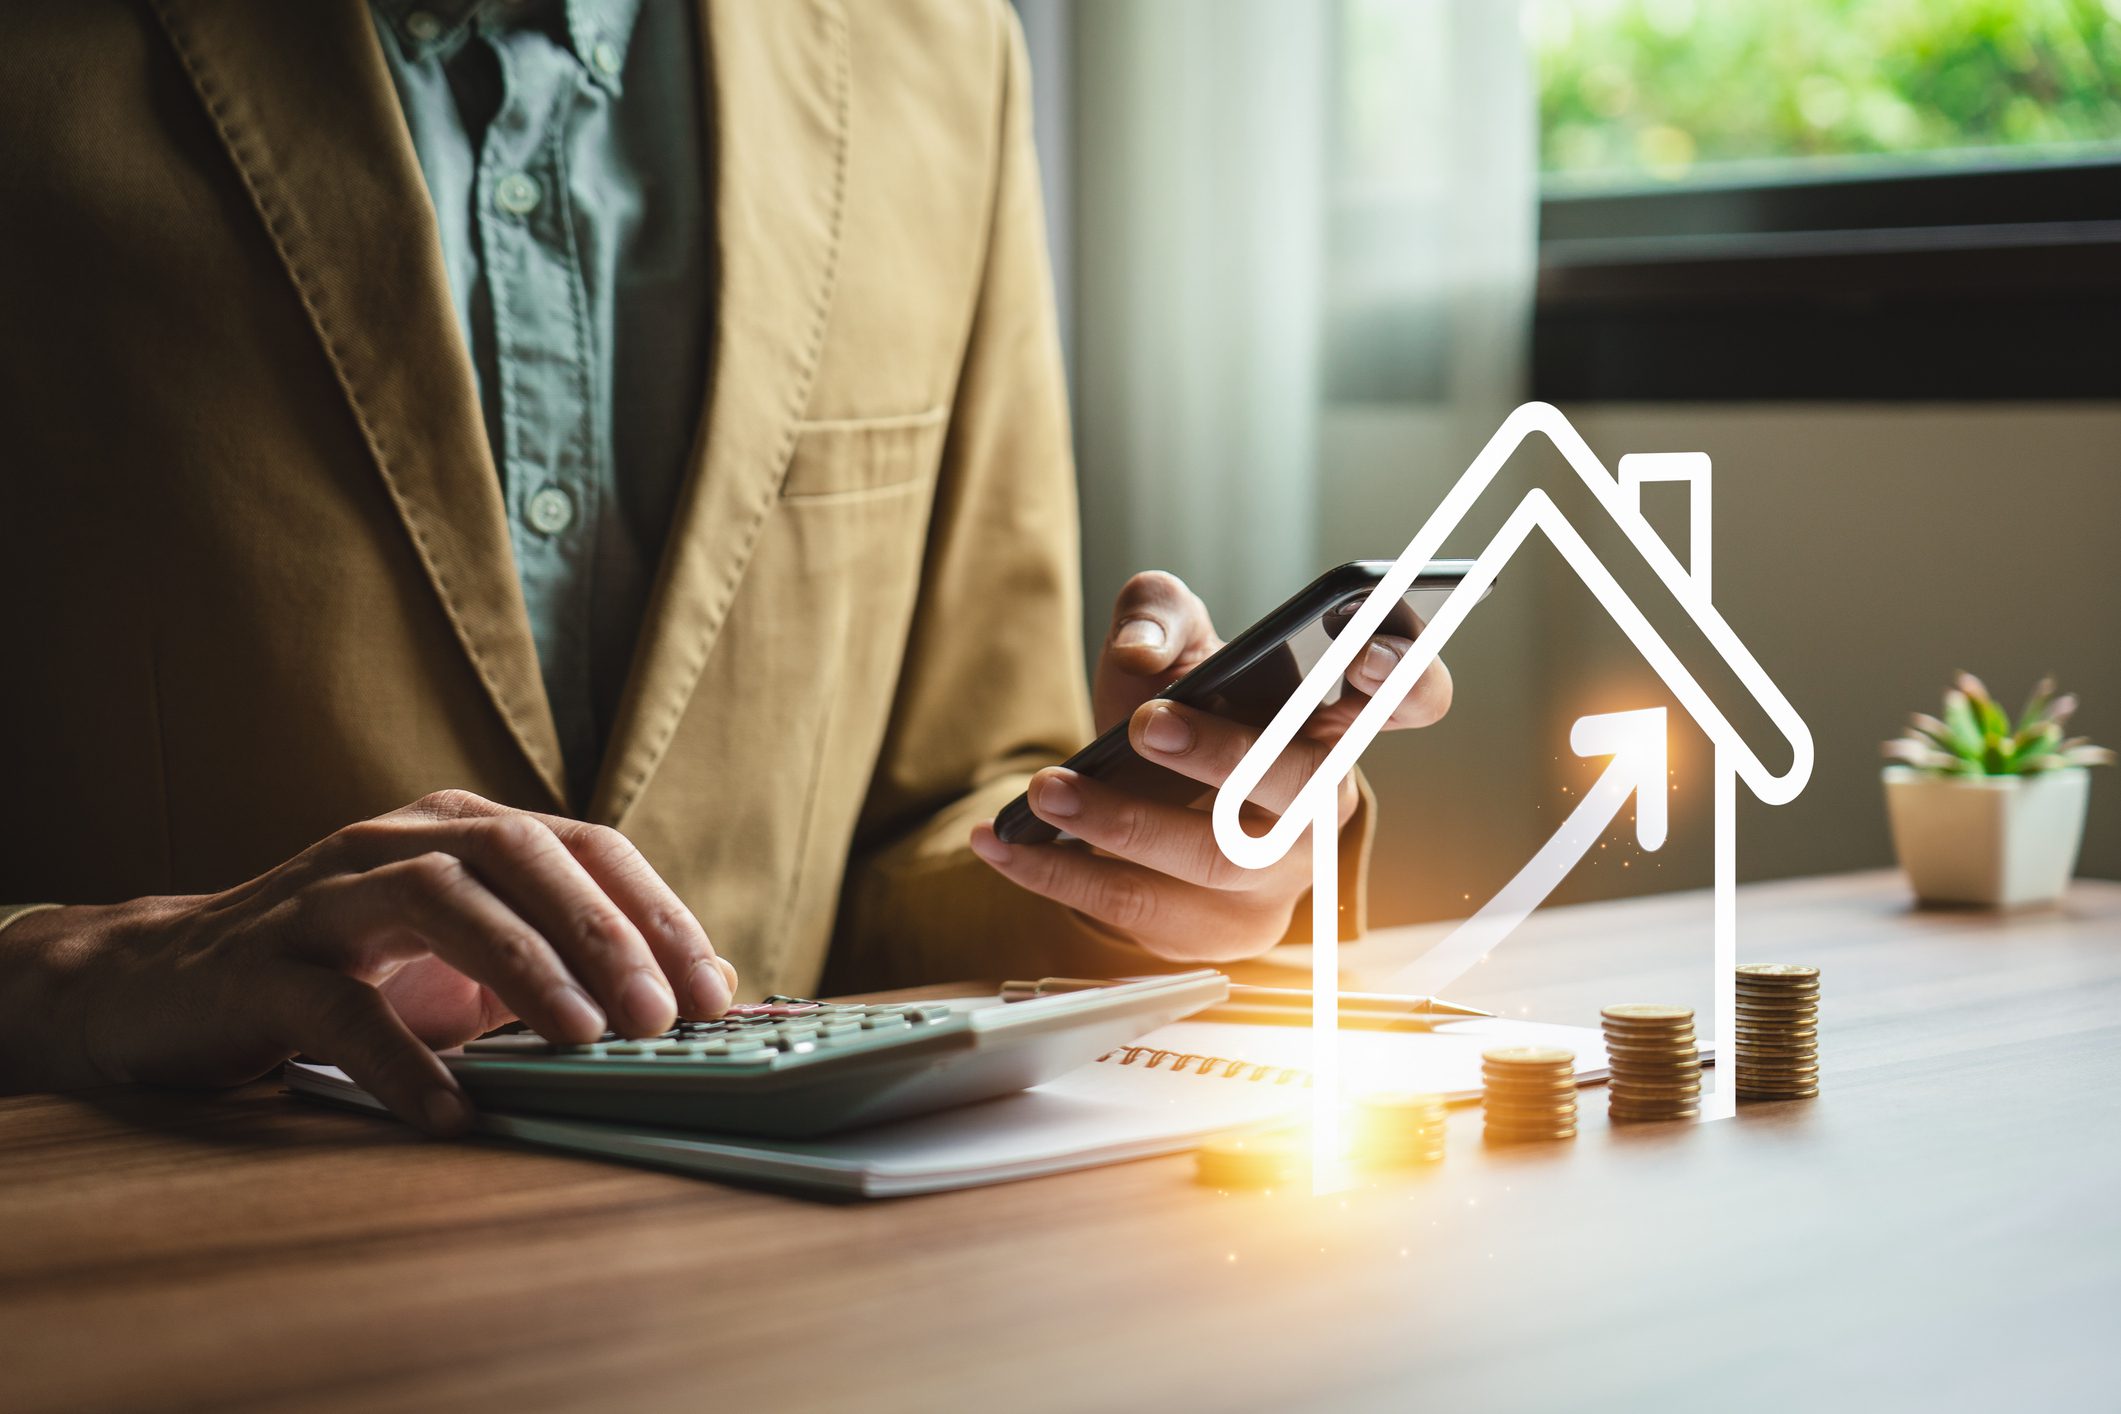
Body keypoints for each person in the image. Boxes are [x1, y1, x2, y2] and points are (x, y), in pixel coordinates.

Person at [0, 0, 1448, 1137]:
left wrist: (1166, 865)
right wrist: (66, 970)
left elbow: (930, 826)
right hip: (160, 1245)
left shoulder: (941, 54)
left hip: (788, 1289)